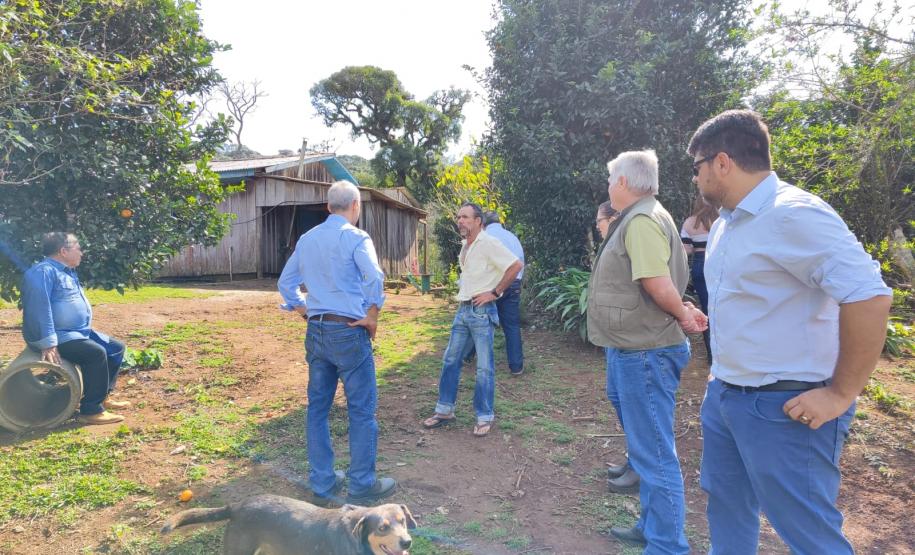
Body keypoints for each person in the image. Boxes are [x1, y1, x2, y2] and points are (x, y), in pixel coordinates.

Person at [688, 110, 892, 554]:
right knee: (727, 509)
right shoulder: (727, 224)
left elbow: (869, 297)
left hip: (786, 406)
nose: (696, 178)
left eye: (697, 166)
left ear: (722, 162)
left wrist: (840, 394)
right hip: (727, 396)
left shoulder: (793, 214)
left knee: (809, 534)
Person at [587, 150, 707, 553]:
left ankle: (667, 545)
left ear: (622, 182)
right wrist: (684, 309)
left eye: (610, 181)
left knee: (655, 454)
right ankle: (651, 526)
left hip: (645, 353)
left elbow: (656, 281)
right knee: (646, 448)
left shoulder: (640, 220)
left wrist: (683, 317)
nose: (608, 187)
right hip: (634, 349)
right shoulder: (645, 215)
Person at [277, 180, 396, 505]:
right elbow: (373, 276)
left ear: (328, 207)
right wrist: (372, 314)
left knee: (318, 409)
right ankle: (361, 484)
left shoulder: (308, 238)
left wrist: (304, 310)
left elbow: (286, 283)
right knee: (361, 410)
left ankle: (323, 483)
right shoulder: (357, 238)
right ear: (355, 206)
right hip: (348, 331)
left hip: (317, 331)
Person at [422, 202, 524, 437]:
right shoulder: (466, 245)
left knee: (484, 368)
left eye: (465, 217)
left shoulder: (488, 243)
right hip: (464, 309)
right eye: (458, 217)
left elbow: (515, 265)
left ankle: (484, 415)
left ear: (478, 221)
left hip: (481, 311)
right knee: (450, 360)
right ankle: (445, 410)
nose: (460, 221)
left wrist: (495, 293)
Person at [21, 232, 130, 425]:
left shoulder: (66, 271)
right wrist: (48, 342)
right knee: (95, 353)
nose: (82, 252)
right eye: (78, 248)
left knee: (115, 348)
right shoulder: (43, 271)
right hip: (55, 336)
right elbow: (39, 308)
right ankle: (90, 411)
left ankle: (102, 396)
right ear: (63, 251)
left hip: (75, 333)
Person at [469, 210, 525, 376]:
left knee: (479, 320)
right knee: (512, 326)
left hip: (492, 285)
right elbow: (521, 264)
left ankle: (469, 357)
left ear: (483, 224)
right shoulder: (513, 237)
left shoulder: (485, 238)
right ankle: (516, 366)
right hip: (514, 283)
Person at [680, 195, 718, 361]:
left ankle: (712, 354)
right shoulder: (723, 219)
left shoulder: (690, 223)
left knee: (706, 309)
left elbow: (685, 250)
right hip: (719, 263)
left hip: (700, 266)